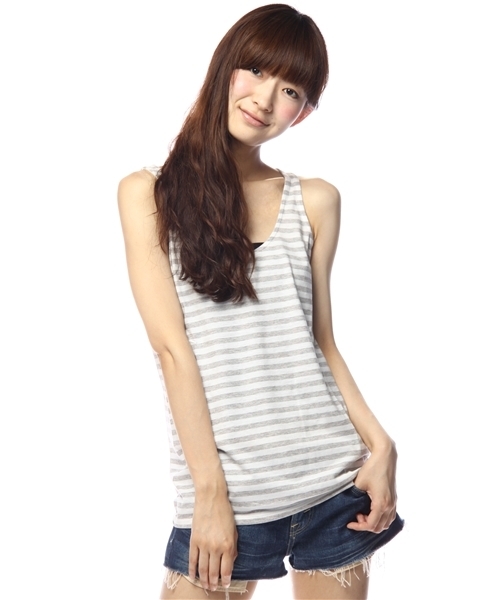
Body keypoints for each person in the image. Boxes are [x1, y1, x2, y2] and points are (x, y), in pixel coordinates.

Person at [118, 4, 403, 599]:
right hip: (227, 494)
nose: (266, 99)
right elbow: (172, 350)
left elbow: (321, 343)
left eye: (291, 90)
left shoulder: (315, 200)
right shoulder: (148, 193)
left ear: (304, 112)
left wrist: (381, 444)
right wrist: (209, 493)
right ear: (224, 66)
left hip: (334, 485)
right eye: (255, 70)